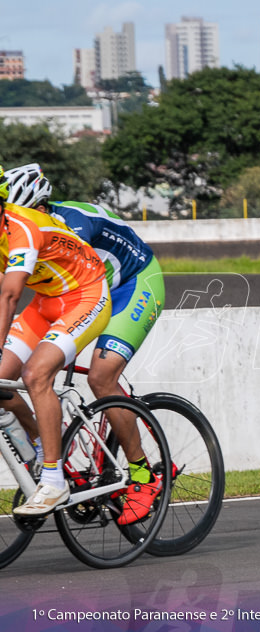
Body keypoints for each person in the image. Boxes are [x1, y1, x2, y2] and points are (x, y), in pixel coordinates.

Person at [2, 163, 167, 523]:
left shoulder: (72, 225)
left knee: (101, 376)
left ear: (40, 207)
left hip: (131, 285)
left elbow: (83, 293)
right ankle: (48, 439)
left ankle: (142, 475)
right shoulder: (21, 228)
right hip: (61, 298)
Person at [0, 168, 113, 516]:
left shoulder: (22, 226)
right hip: (46, 302)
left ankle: (54, 482)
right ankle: (40, 446)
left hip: (86, 295)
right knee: (2, 384)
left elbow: (9, 295)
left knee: (35, 373)